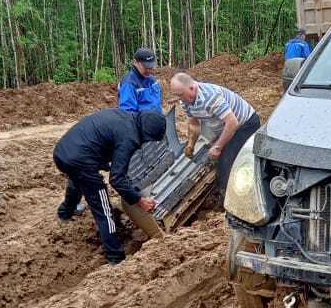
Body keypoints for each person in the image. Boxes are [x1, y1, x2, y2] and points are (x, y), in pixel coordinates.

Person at [53, 108, 166, 264]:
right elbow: (116, 179)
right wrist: (139, 200)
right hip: (79, 159)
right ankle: (116, 258)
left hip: (63, 152)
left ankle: (65, 212)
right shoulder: (130, 137)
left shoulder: (125, 117)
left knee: (78, 179)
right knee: (104, 210)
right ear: (146, 135)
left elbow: (104, 142)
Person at [168, 72, 260, 195]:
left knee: (225, 162)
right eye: (177, 96)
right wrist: (190, 145)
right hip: (224, 125)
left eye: (181, 95)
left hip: (245, 124)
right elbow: (194, 124)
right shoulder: (185, 101)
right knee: (212, 157)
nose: (180, 99)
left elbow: (232, 123)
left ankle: (227, 197)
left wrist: (218, 147)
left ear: (192, 87)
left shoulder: (210, 97)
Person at [117, 47, 162, 113]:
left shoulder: (153, 81)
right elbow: (127, 114)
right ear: (135, 62)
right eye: (146, 67)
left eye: (151, 67)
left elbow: (157, 105)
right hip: (142, 122)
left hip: (156, 120)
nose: (149, 70)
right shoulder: (129, 84)